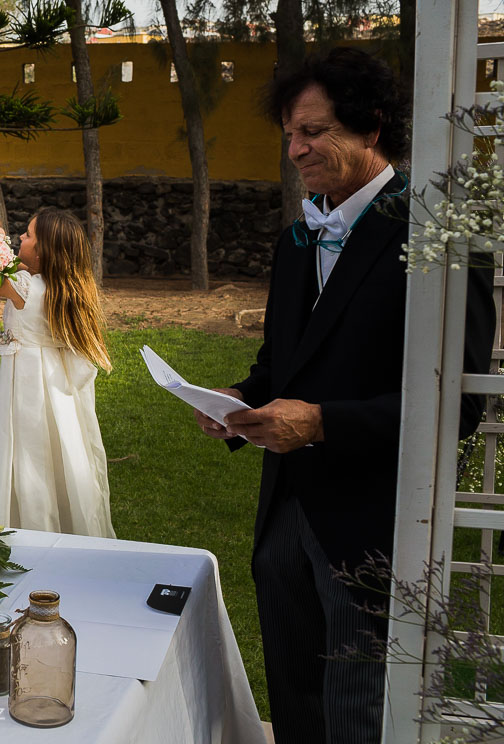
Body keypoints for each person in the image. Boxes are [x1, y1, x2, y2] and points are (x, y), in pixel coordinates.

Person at [193, 47, 495, 742]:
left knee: (360, 713)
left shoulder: (440, 232)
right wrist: (236, 399)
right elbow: (283, 364)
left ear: (371, 126)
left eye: (314, 132)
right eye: (290, 136)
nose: (296, 150)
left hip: (374, 525)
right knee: (296, 704)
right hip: (283, 524)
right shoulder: (298, 239)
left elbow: (461, 406)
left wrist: (325, 423)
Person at [0, 210, 115, 537]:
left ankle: (32, 529)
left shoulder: (25, 287)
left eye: (27, 236)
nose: (21, 240)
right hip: (57, 391)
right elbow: (16, 266)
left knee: (31, 464)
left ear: (42, 252)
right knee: (62, 456)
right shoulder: (62, 287)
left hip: (28, 392)